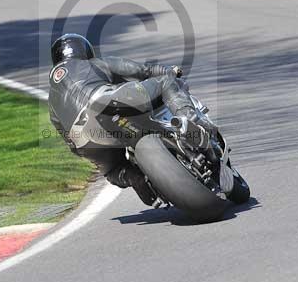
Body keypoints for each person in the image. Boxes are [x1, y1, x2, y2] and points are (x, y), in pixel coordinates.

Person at [47, 33, 208, 205]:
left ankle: (134, 178)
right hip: (105, 100)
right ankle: (189, 119)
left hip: (82, 136)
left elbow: (69, 142)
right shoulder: (93, 64)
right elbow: (141, 71)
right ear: (84, 51)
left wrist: (88, 152)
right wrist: (168, 71)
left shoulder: (51, 101)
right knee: (165, 82)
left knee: (112, 170)